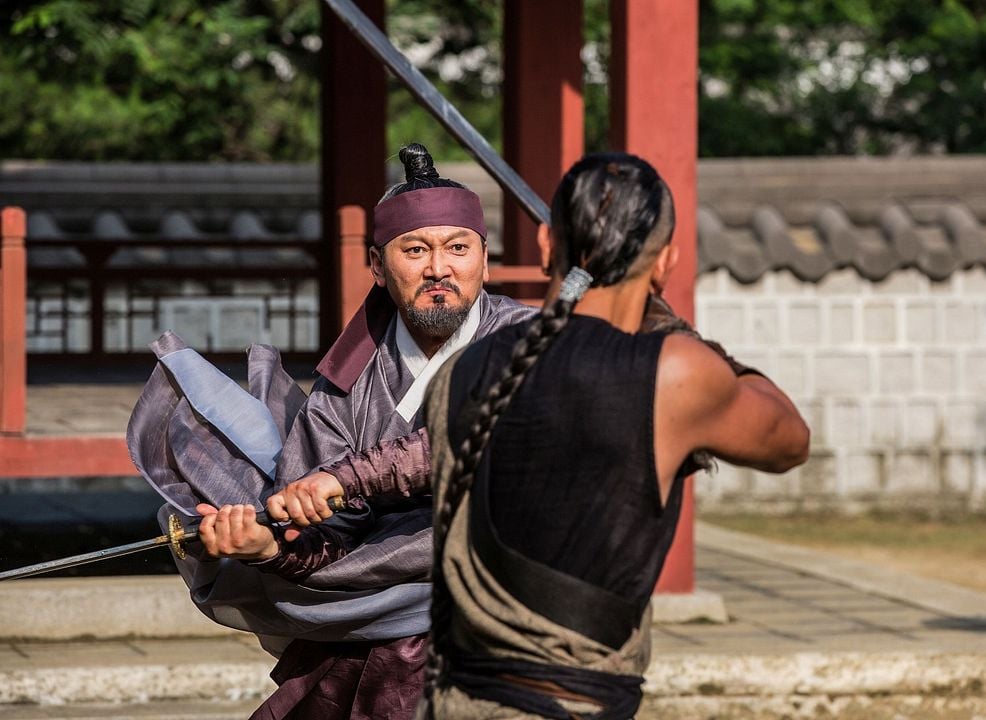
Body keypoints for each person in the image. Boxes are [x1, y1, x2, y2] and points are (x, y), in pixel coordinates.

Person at [419, 153, 811, 718]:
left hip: (451, 700)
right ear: (666, 264)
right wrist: (683, 334)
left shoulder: (461, 370)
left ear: (546, 245)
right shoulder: (674, 373)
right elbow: (790, 440)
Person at [183, 143, 535, 719]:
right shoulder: (345, 389)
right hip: (384, 626)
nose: (439, 269)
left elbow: (480, 434)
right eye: (415, 250)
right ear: (376, 264)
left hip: (510, 608)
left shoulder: (533, 342)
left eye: (458, 248)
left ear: (485, 259)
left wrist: (345, 479)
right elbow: (329, 545)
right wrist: (268, 545)